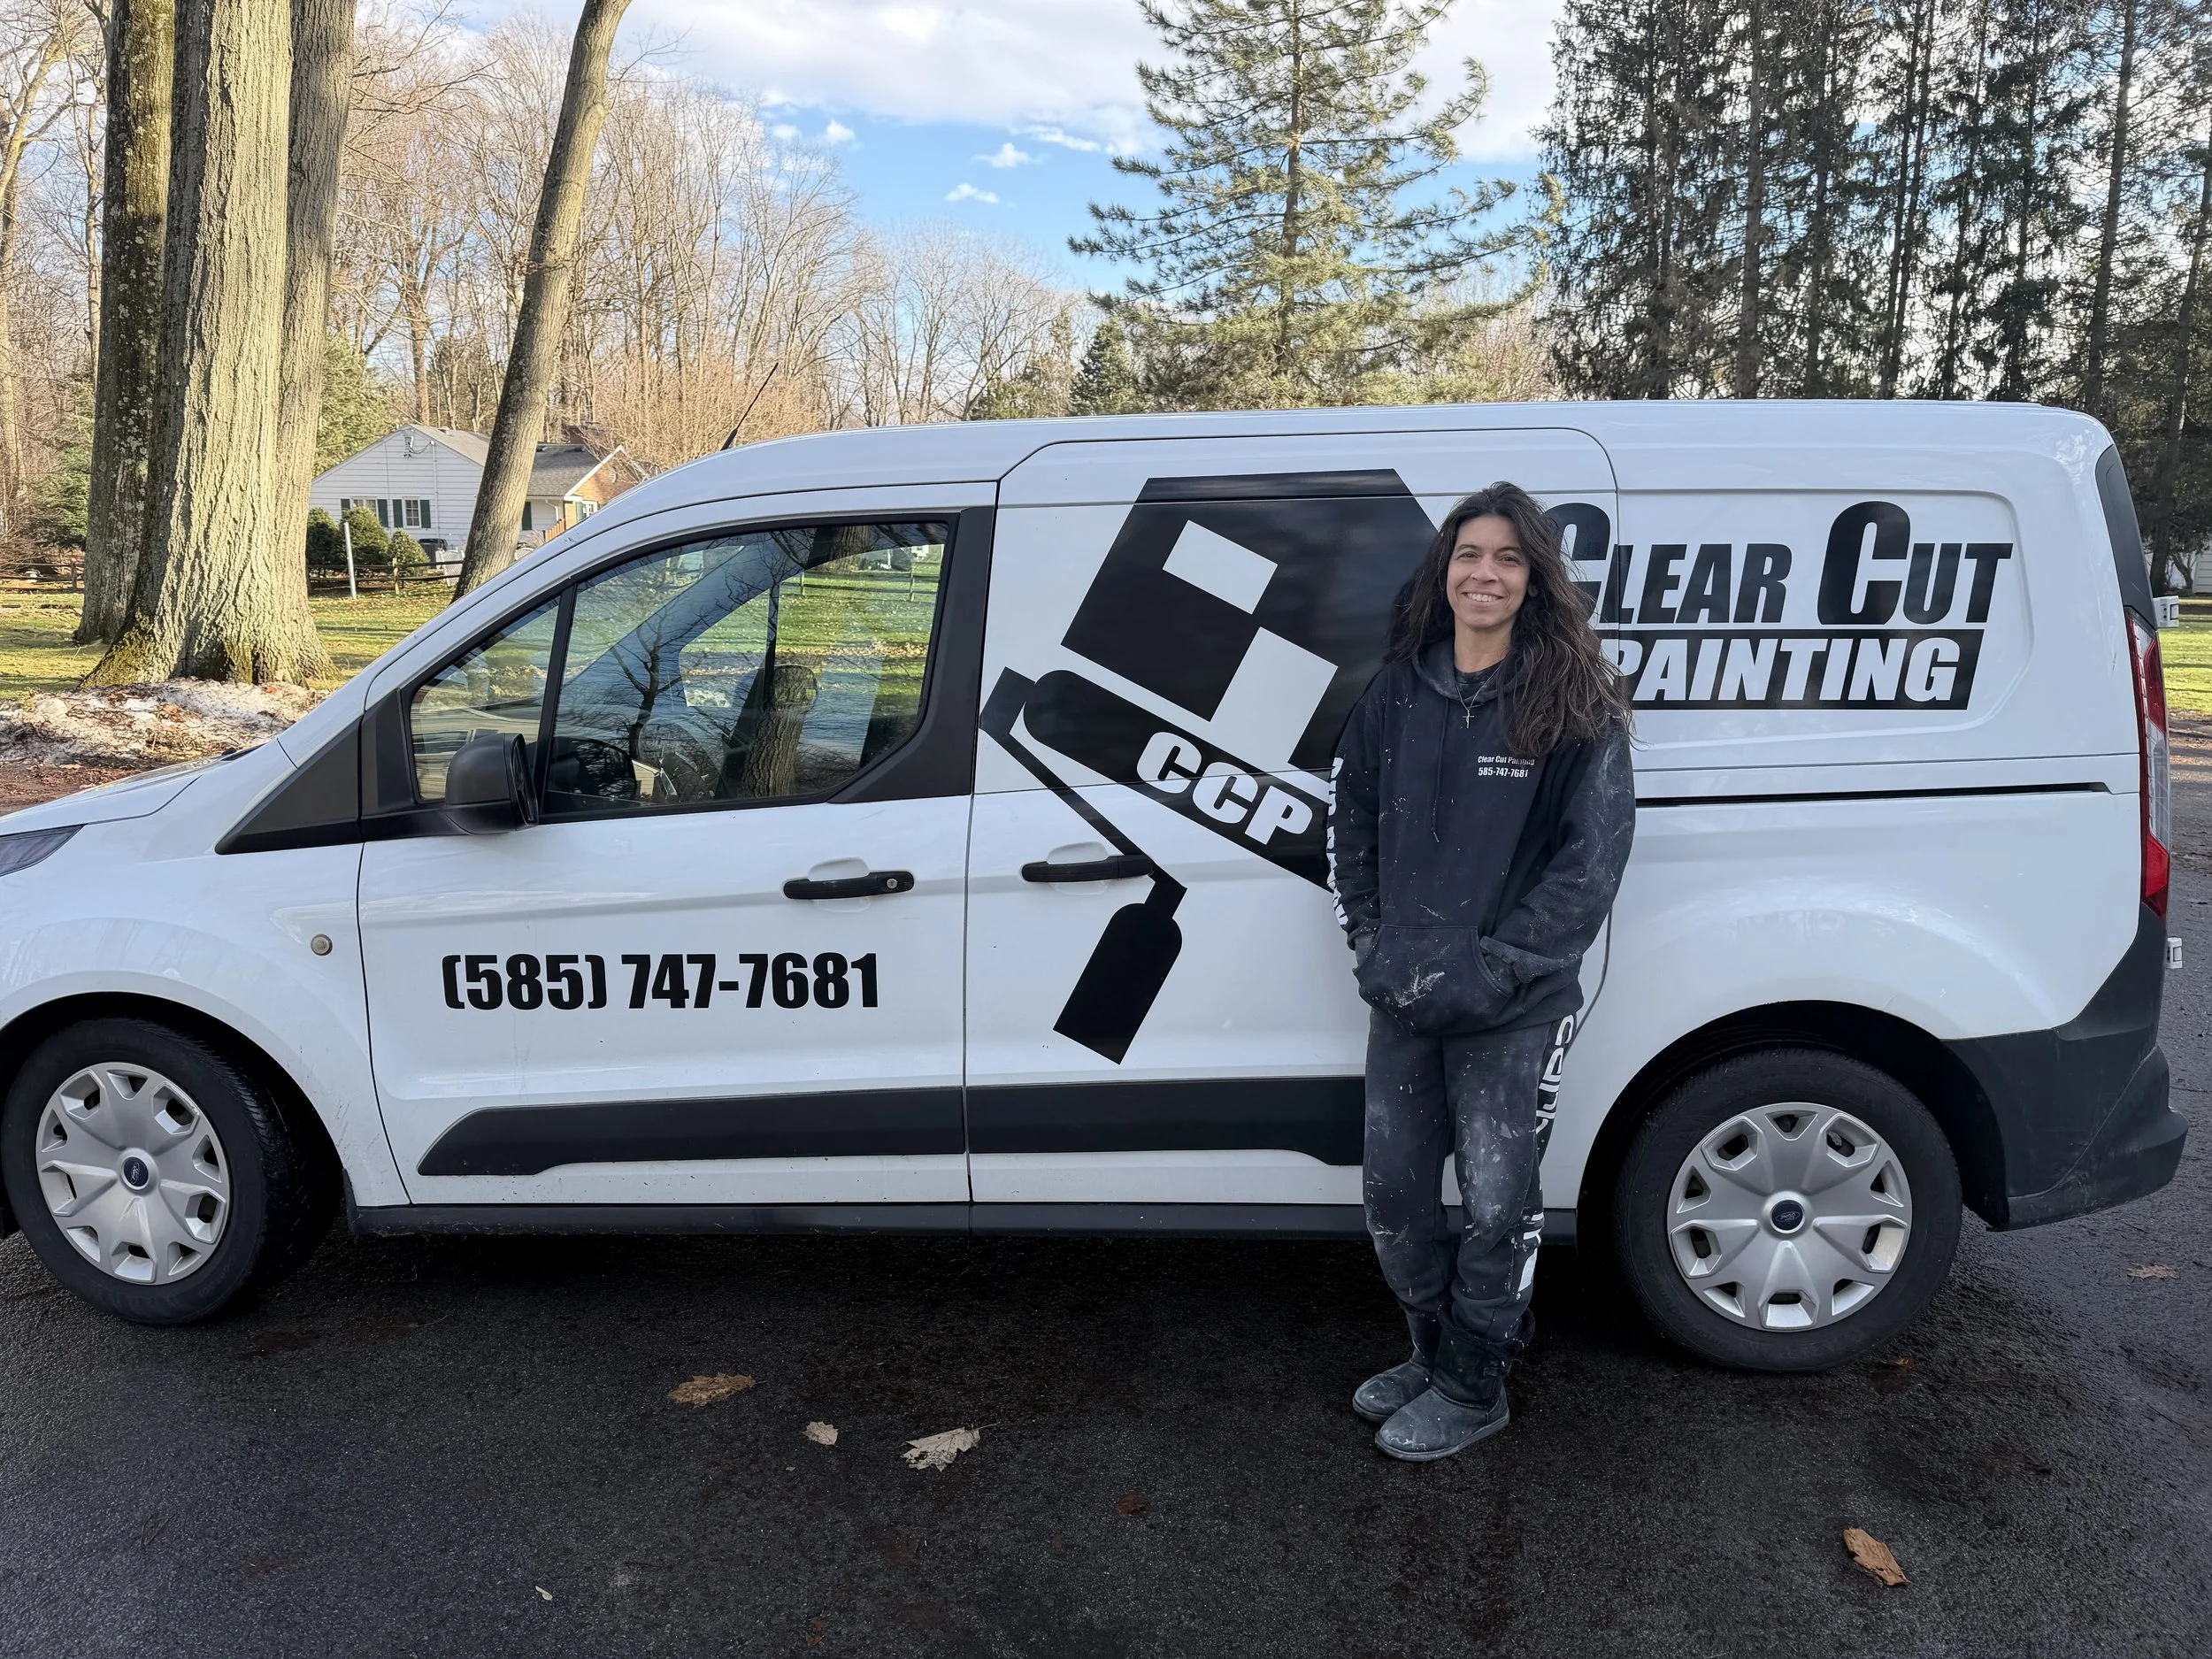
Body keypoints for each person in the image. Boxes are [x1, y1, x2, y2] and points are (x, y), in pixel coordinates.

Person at [1328, 481, 1635, 1462]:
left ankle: (1474, 1385)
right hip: (1404, 995)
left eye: (1507, 558)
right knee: (1395, 1200)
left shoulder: (1574, 701)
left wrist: (1502, 968)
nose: (1485, 574)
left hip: (1514, 1006)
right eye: (1469, 554)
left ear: (1533, 578)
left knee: (1500, 1204)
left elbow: (1591, 863)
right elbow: (1353, 826)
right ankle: (1433, 1349)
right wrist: (1371, 944)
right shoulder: (1396, 692)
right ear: (1444, 571)